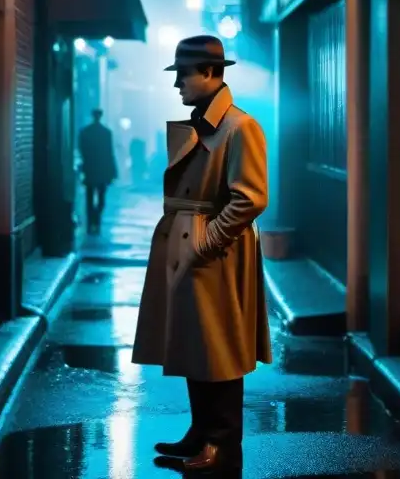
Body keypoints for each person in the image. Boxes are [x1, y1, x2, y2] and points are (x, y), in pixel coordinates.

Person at [132, 35, 271, 474]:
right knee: (195, 343)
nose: (178, 85)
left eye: (184, 75)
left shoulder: (239, 126)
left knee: (220, 345)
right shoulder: (204, 123)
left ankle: (222, 444)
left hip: (215, 252)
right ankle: (201, 432)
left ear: (210, 74)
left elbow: (250, 198)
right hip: (189, 242)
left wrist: (207, 242)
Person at [78, 109, 117, 234]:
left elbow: (82, 151)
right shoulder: (106, 133)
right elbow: (110, 153)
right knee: (101, 198)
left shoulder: (84, 132)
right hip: (102, 170)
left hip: (90, 169)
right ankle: (96, 219)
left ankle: (91, 222)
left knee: (89, 198)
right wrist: (113, 171)